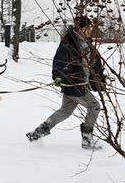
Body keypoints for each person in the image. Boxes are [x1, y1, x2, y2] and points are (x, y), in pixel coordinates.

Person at [26, 15, 107, 149]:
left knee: (65, 111)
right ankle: (87, 139)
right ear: (79, 28)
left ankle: (37, 133)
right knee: (94, 106)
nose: (90, 30)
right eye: (87, 28)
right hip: (74, 84)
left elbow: (94, 63)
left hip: (81, 84)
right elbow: (59, 61)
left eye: (90, 28)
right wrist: (58, 76)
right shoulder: (69, 43)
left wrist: (100, 78)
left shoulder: (87, 43)